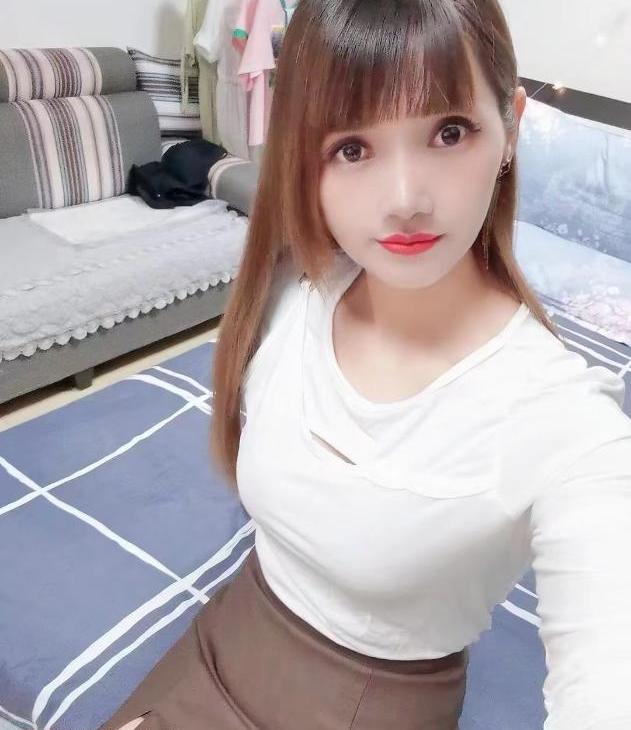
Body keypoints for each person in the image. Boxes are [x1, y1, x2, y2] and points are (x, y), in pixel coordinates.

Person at [100, 1, 631, 728]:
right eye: (351, 148)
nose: (404, 201)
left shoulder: (569, 426)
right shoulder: (299, 288)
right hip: (222, 631)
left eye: (448, 132)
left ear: (510, 127)